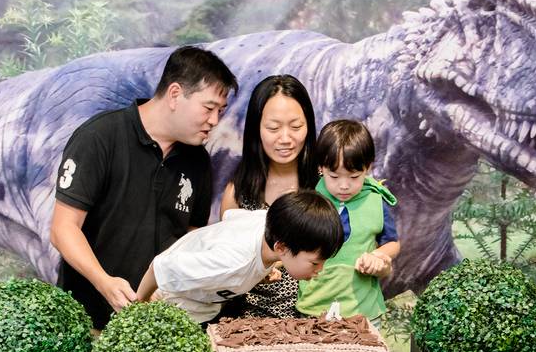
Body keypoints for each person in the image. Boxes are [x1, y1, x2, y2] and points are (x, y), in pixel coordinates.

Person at [50, 46, 238, 330]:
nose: (214, 121)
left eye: (220, 111)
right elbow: (63, 228)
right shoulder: (100, 138)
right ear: (175, 94)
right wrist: (104, 282)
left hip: (160, 325)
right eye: (208, 108)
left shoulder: (197, 159)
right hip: (89, 322)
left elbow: (190, 234)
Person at [135, 190, 344, 323]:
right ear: (281, 247)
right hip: (170, 305)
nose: (320, 270)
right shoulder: (232, 261)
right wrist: (139, 306)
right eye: (315, 263)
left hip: (205, 307)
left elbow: (231, 216)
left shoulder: (269, 223)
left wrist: (262, 271)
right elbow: (160, 266)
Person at [218, 75, 318, 318]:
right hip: (250, 325)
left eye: (296, 127)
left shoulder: (326, 185)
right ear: (256, 130)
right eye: (273, 128)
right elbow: (226, 266)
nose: (285, 138)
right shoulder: (238, 193)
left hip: (318, 323)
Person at [296, 120, 400, 322]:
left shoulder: (376, 201)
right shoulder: (309, 200)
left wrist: (377, 256)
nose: (344, 186)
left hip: (364, 310)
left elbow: (392, 243)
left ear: (368, 168)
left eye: (354, 177)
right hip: (314, 308)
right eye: (334, 176)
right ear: (321, 167)